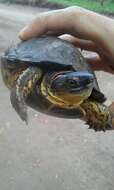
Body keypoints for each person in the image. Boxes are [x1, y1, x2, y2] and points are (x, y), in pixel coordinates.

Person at [19, 6, 114, 127]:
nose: (85, 86)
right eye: (72, 83)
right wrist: (19, 94)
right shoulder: (36, 72)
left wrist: (104, 119)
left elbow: (106, 117)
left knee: (104, 116)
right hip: (32, 62)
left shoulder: (87, 101)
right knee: (34, 71)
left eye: (88, 85)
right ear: (54, 81)